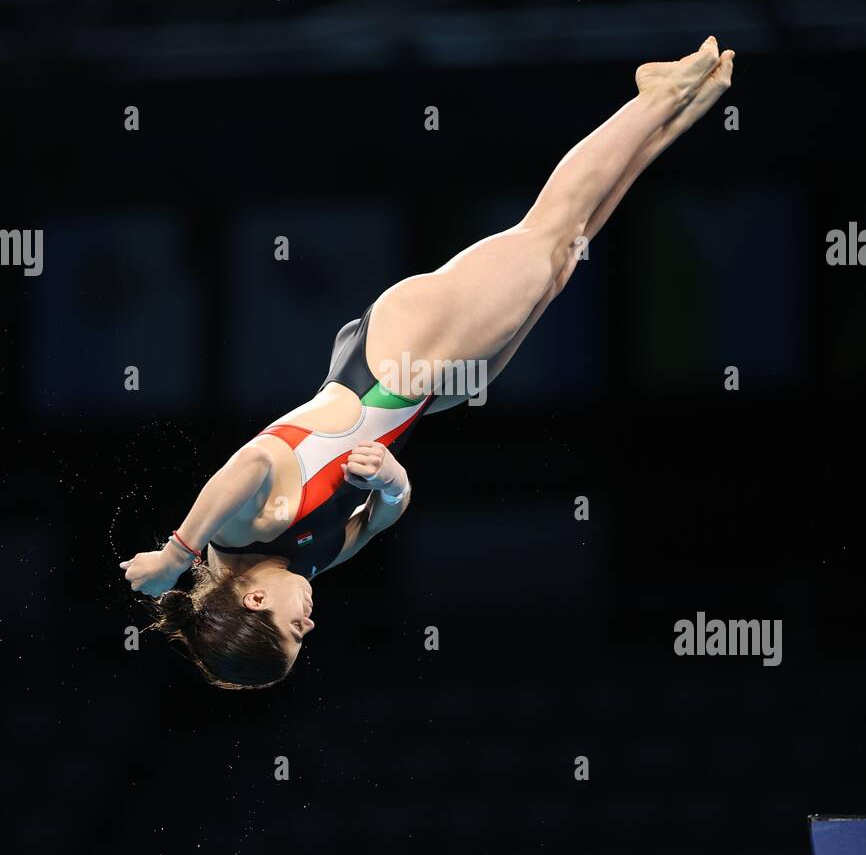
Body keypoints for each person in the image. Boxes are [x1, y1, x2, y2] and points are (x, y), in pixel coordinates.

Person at [121, 38, 734, 689]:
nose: (312, 623)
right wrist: (389, 482)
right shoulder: (306, 567)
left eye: (296, 630)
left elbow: (243, 463)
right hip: (426, 392)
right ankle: (670, 119)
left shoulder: (248, 527)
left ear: (254, 602)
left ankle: (661, 94)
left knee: (545, 234)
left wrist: (175, 553)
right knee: (559, 265)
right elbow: (382, 517)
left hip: (397, 356)